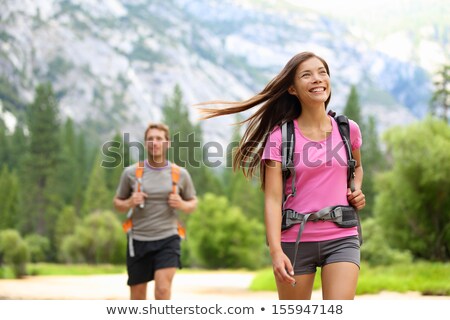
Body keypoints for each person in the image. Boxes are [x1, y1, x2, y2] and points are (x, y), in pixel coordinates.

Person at [199, 52, 365, 300]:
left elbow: (357, 167)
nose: (317, 79)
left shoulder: (347, 129)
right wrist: (275, 251)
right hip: (295, 242)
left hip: (342, 237)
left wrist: (355, 189)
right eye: (306, 75)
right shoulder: (280, 137)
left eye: (322, 72)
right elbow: (273, 200)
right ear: (292, 89)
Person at [113, 123, 197, 300]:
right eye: (150, 139)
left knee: (162, 291)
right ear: (145, 143)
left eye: (159, 139)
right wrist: (130, 201)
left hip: (168, 238)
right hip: (138, 240)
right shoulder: (131, 173)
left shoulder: (180, 174)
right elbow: (117, 203)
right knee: (137, 297)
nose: (154, 143)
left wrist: (181, 203)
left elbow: (193, 204)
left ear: (167, 143)